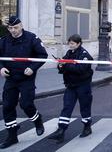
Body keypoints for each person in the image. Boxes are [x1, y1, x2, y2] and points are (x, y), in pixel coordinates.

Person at [0, 16, 48, 148]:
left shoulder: (31, 38)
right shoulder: (4, 41)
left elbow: (43, 55)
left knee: (26, 104)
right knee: (8, 106)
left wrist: (32, 68)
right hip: (11, 78)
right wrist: (1, 68)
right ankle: (12, 136)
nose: (13, 30)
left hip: (26, 78)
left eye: (15, 27)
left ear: (21, 26)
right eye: (10, 28)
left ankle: (37, 120)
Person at [48, 34, 94, 143]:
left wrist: (66, 65)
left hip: (83, 86)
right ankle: (61, 131)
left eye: (72, 43)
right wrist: (60, 65)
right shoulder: (69, 53)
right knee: (67, 107)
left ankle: (87, 127)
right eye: (69, 43)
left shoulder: (84, 55)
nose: (70, 45)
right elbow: (64, 65)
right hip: (71, 86)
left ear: (78, 44)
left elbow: (81, 69)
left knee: (85, 107)